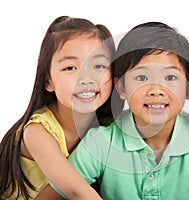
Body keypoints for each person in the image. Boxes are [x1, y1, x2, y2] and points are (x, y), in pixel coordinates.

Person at [37, 21, 189, 200]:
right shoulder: (101, 142)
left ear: (187, 89)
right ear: (122, 88)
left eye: (170, 78)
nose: (156, 90)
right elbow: (54, 194)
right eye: (142, 78)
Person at [0, 16, 118, 199]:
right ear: (48, 81)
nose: (86, 78)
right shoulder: (37, 131)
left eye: (99, 66)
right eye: (70, 68)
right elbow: (76, 192)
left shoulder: (106, 130)